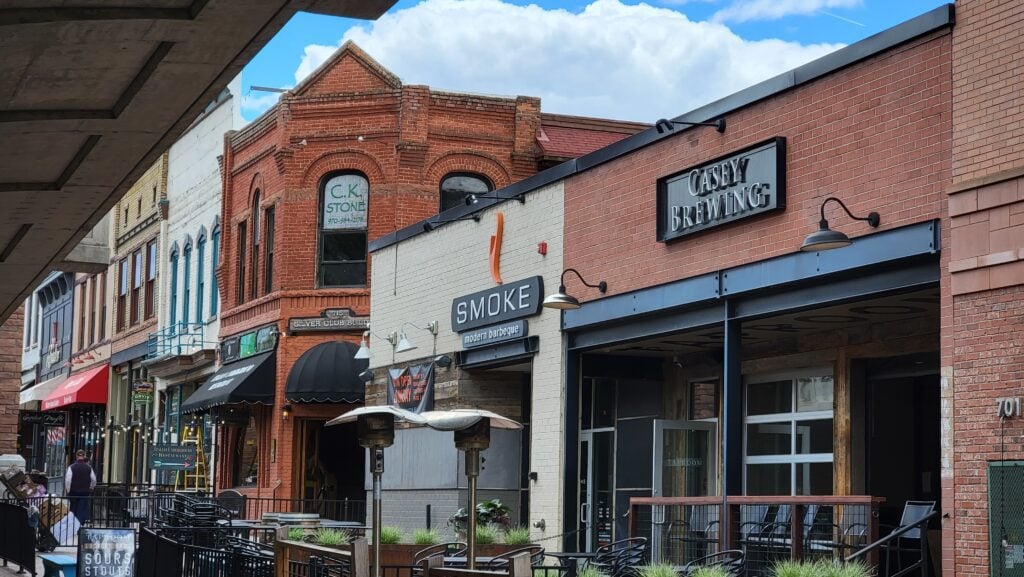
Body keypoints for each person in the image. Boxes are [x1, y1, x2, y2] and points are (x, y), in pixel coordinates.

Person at [65, 449, 96, 523]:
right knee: (82, 509)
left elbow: (68, 480)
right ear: (84, 456)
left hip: (73, 491)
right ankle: (80, 525)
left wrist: (68, 490)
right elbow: (94, 479)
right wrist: (91, 487)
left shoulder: (71, 467)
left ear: (76, 456)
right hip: (84, 492)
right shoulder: (89, 468)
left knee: (73, 508)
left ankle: (73, 524)